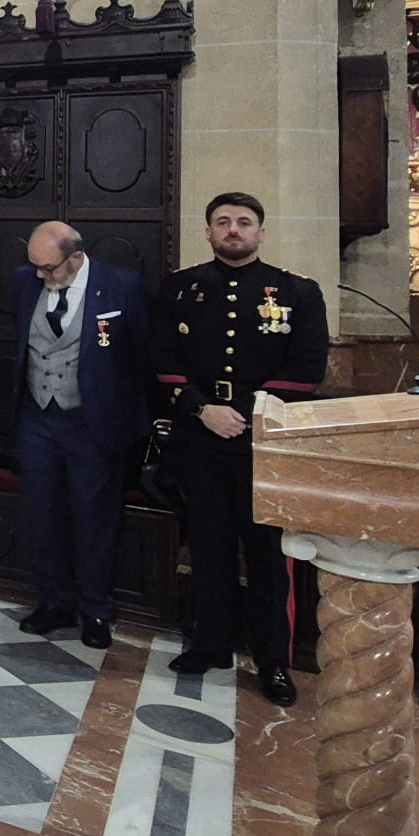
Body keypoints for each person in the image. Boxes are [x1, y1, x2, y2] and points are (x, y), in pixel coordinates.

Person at [154, 192, 327, 707]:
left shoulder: (296, 292)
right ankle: (211, 643)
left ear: (260, 233)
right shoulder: (181, 289)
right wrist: (201, 408)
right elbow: (161, 356)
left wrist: (249, 410)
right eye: (223, 222)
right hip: (200, 437)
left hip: (263, 441)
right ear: (207, 232)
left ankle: (273, 660)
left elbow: (307, 366)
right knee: (209, 545)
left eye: (244, 223)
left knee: (267, 555)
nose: (233, 230)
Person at [11, 222, 151, 651]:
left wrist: (127, 424)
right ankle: (54, 602)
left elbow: (141, 360)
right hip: (38, 420)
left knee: (94, 520)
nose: (40, 275)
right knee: (42, 515)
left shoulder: (121, 286)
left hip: (92, 425)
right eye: (34, 266)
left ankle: (95, 609)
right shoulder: (24, 283)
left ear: (74, 258)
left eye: (48, 267)